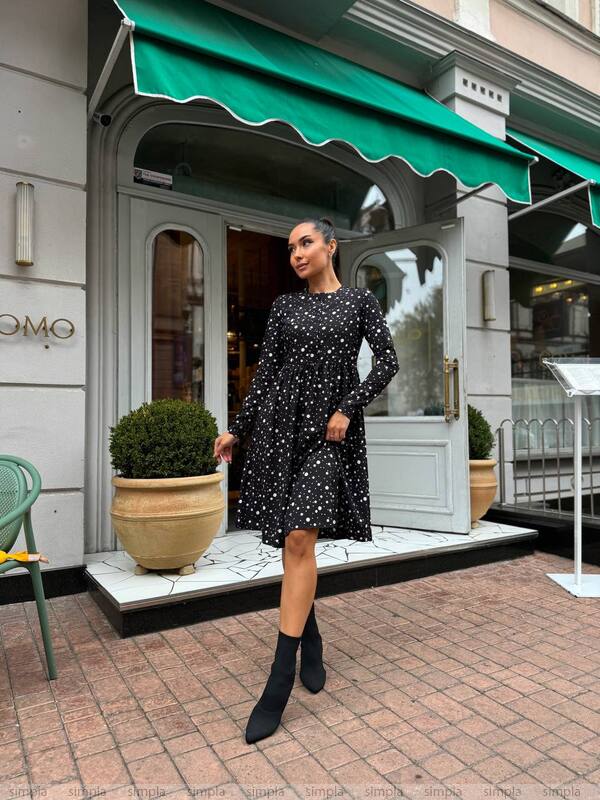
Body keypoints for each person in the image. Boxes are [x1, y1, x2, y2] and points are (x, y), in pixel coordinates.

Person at [213, 217, 399, 744]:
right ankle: (309, 638)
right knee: (296, 542)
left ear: (330, 246)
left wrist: (347, 406)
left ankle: (277, 683)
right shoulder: (284, 307)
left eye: (306, 243)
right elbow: (266, 372)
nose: (296, 254)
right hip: (279, 428)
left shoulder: (360, 303)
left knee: (299, 537)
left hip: (329, 433)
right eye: (291, 247)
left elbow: (386, 363)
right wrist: (237, 429)